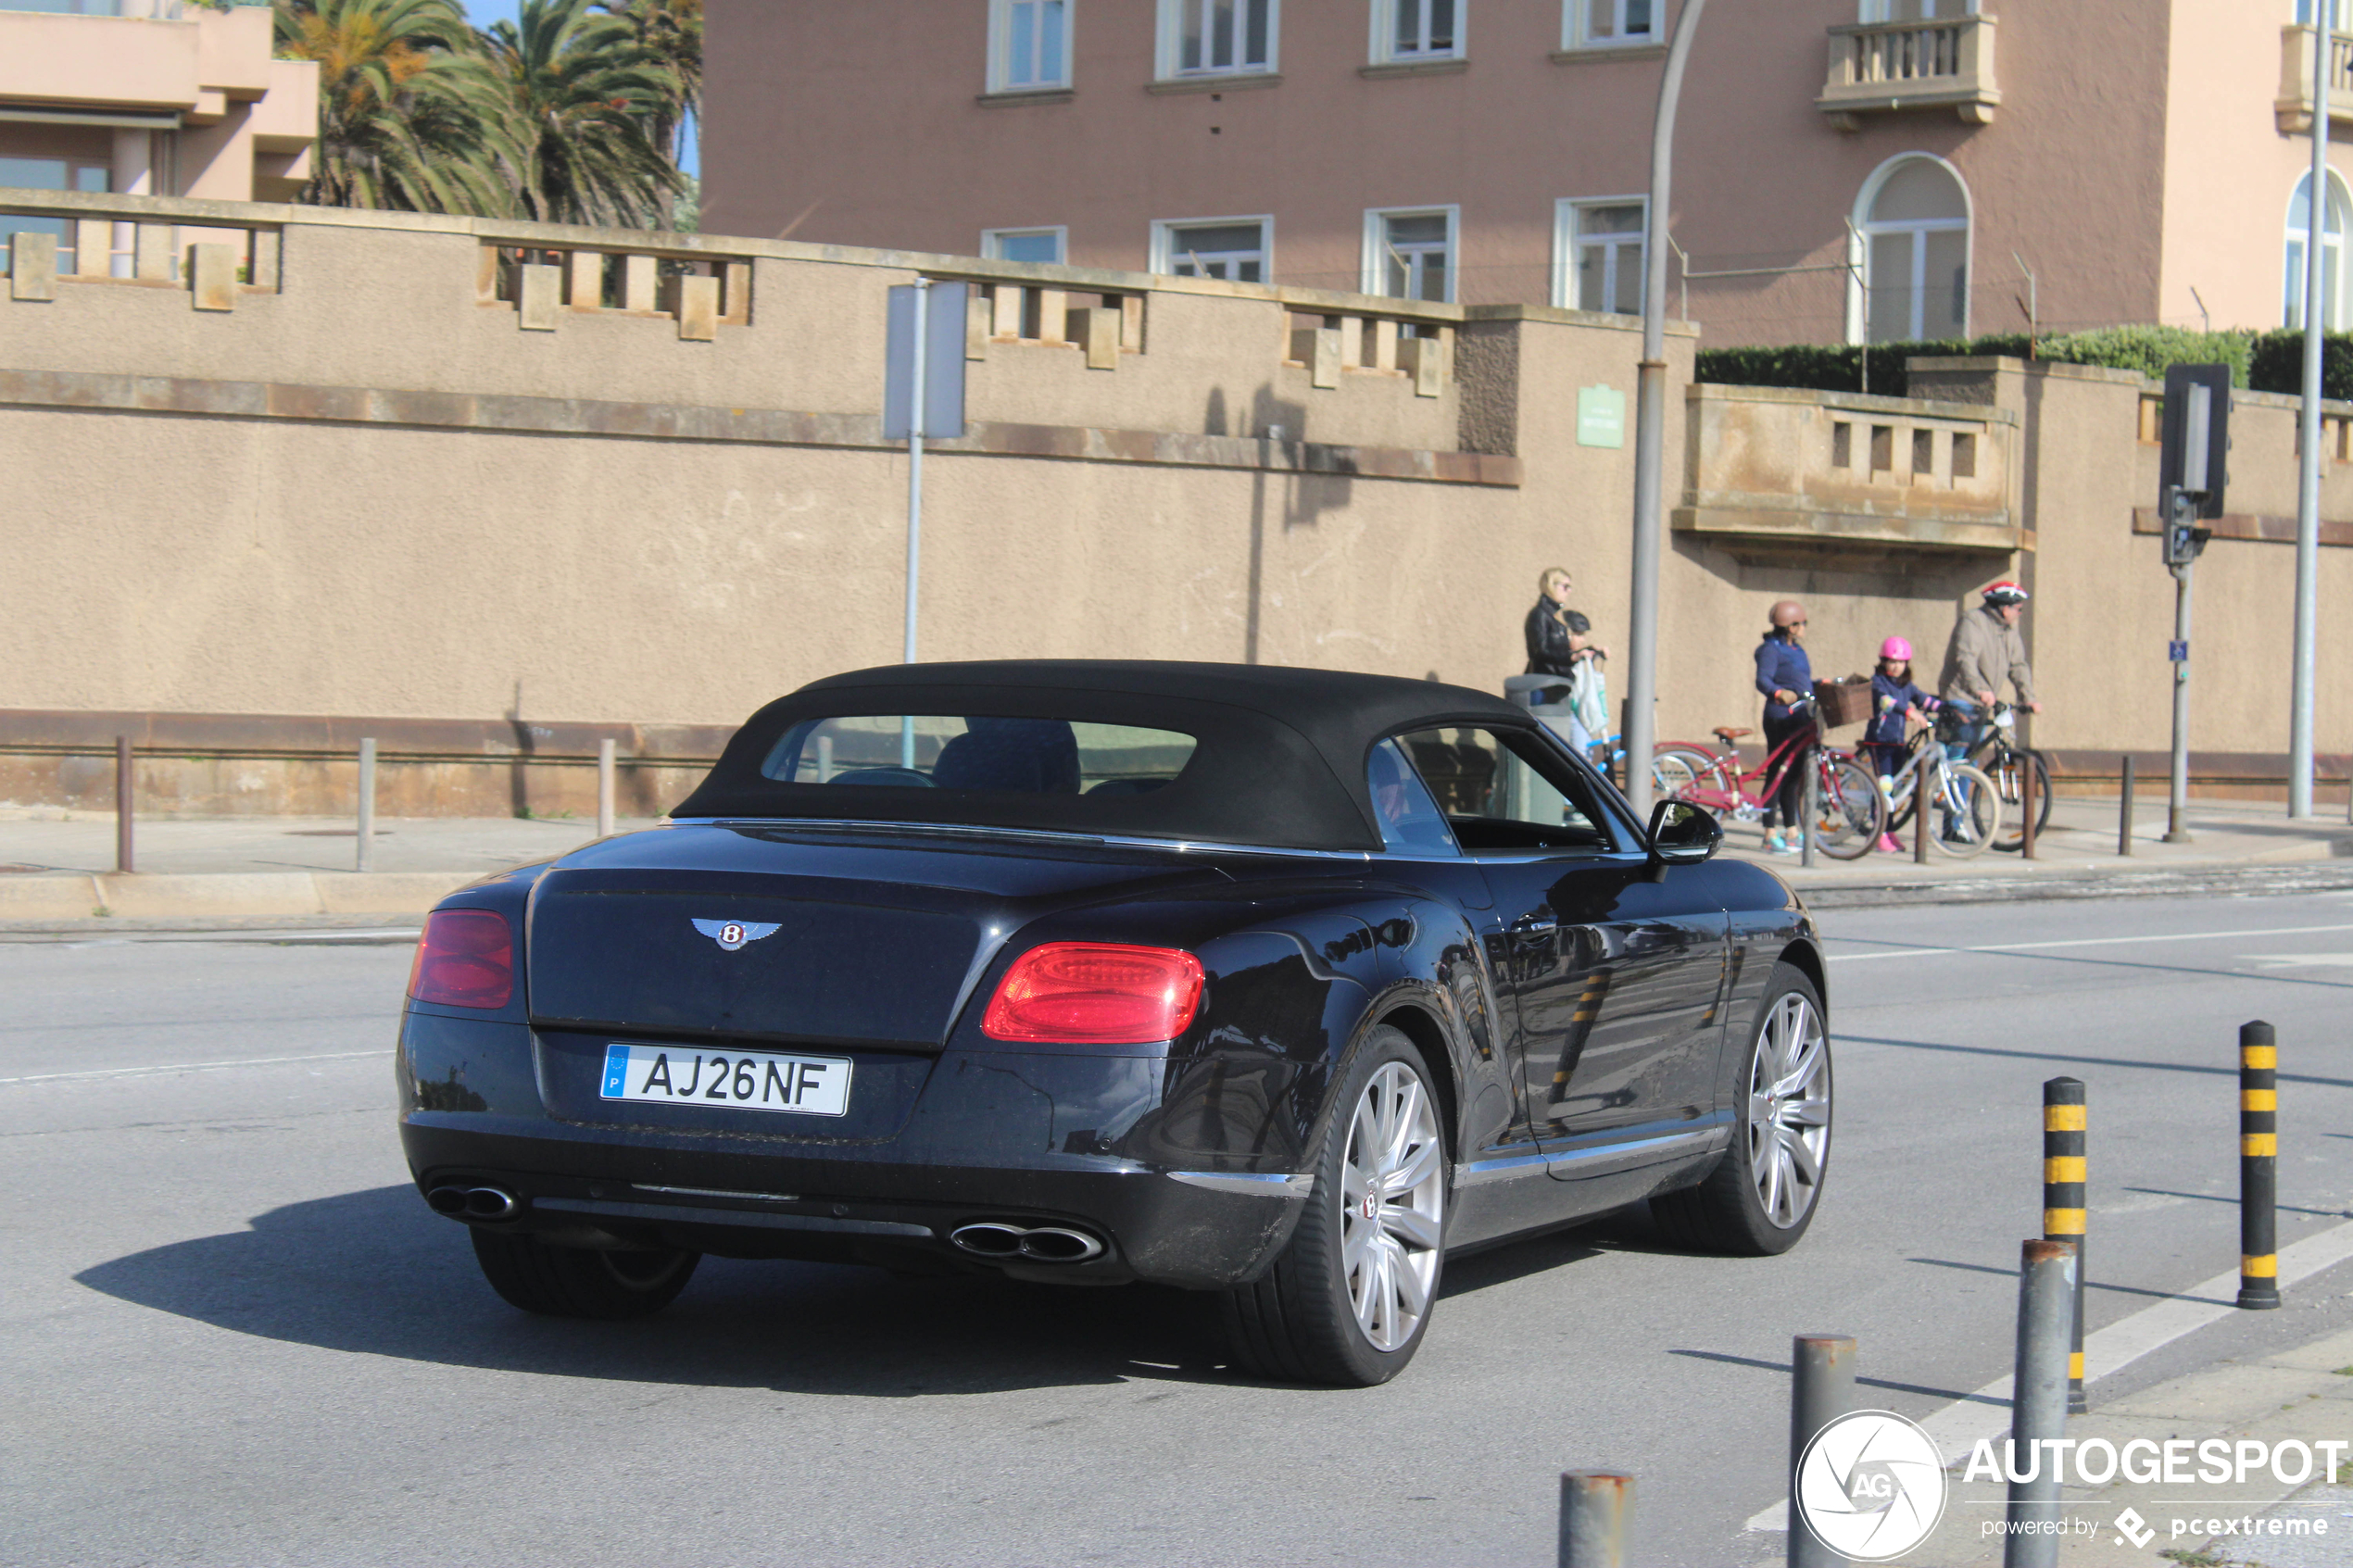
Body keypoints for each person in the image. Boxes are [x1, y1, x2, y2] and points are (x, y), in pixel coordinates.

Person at [1939, 581, 2042, 760]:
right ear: (2005, 609)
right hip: (1961, 698)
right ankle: (1935, 787)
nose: (2019, 614)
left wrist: (2028, 698)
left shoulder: (2009, 631)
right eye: (2018, 609)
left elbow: (2018, 666)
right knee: (1957, 756)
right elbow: (1966, 658)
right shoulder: (1974, 621)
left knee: (1971, 757)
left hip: (1982, 703)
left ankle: (1958, 788)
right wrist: (1978, 689)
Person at [1863, 636, 1938, 852]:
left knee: (1893, 791)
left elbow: (1924, 699)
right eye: (1891, 661)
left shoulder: (1906, 686)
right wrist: (1909, 712)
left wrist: (1946, 707)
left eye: (1901, 662)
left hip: (1898, 744)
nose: (1896, 667)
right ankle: (1879, 833)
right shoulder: (1878, 683)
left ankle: (1890, 829)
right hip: (1880, 743)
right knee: (1884, 788)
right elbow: (1886, 702)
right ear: (1883, 661)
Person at [1753, 599, 1813, 856]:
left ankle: (1791, 830)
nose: (1804, 628)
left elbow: (1802, 680)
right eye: (1801, 623)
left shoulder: (1797, 650)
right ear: (1790, 626)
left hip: (1801, 716)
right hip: (1780, 716)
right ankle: (1769, 833)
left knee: (1793, 775)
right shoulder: (1771, 649)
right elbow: (1762, 679)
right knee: (1777, 773)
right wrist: (1779, 692)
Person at [1523, 567, 1607, 680]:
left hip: (1558, 681)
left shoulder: (1556, 615)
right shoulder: (1539, 614)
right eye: (1565, 586)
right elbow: (1540, 652)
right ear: (1551, 585)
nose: (1569, 591)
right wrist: (1573, 657)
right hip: (1543, 682)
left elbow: (1561, 653)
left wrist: (1591, 651)